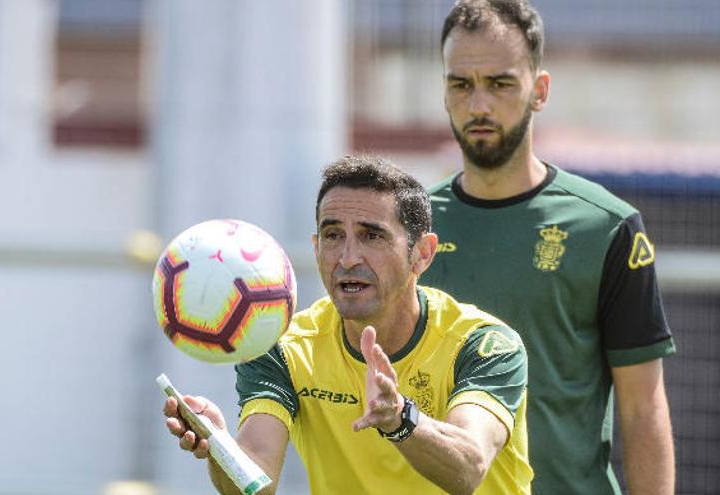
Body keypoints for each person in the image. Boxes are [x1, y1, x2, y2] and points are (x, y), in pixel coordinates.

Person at [419, 1, 677, 494]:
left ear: (539, 91)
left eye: (500, 84)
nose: (478, 105)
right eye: (461, 85)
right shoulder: (407, 226)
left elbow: (644, 409)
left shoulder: (605, 227)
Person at [163, 155, 532, 495]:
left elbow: (468, 468)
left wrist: (399, 418)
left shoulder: (485, 344)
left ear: (422, 253)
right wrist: (219, 446)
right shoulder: (282, 346)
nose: (348, 257)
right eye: (333, 235)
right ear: (316, 246)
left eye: (372, 235)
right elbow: (258, 482)